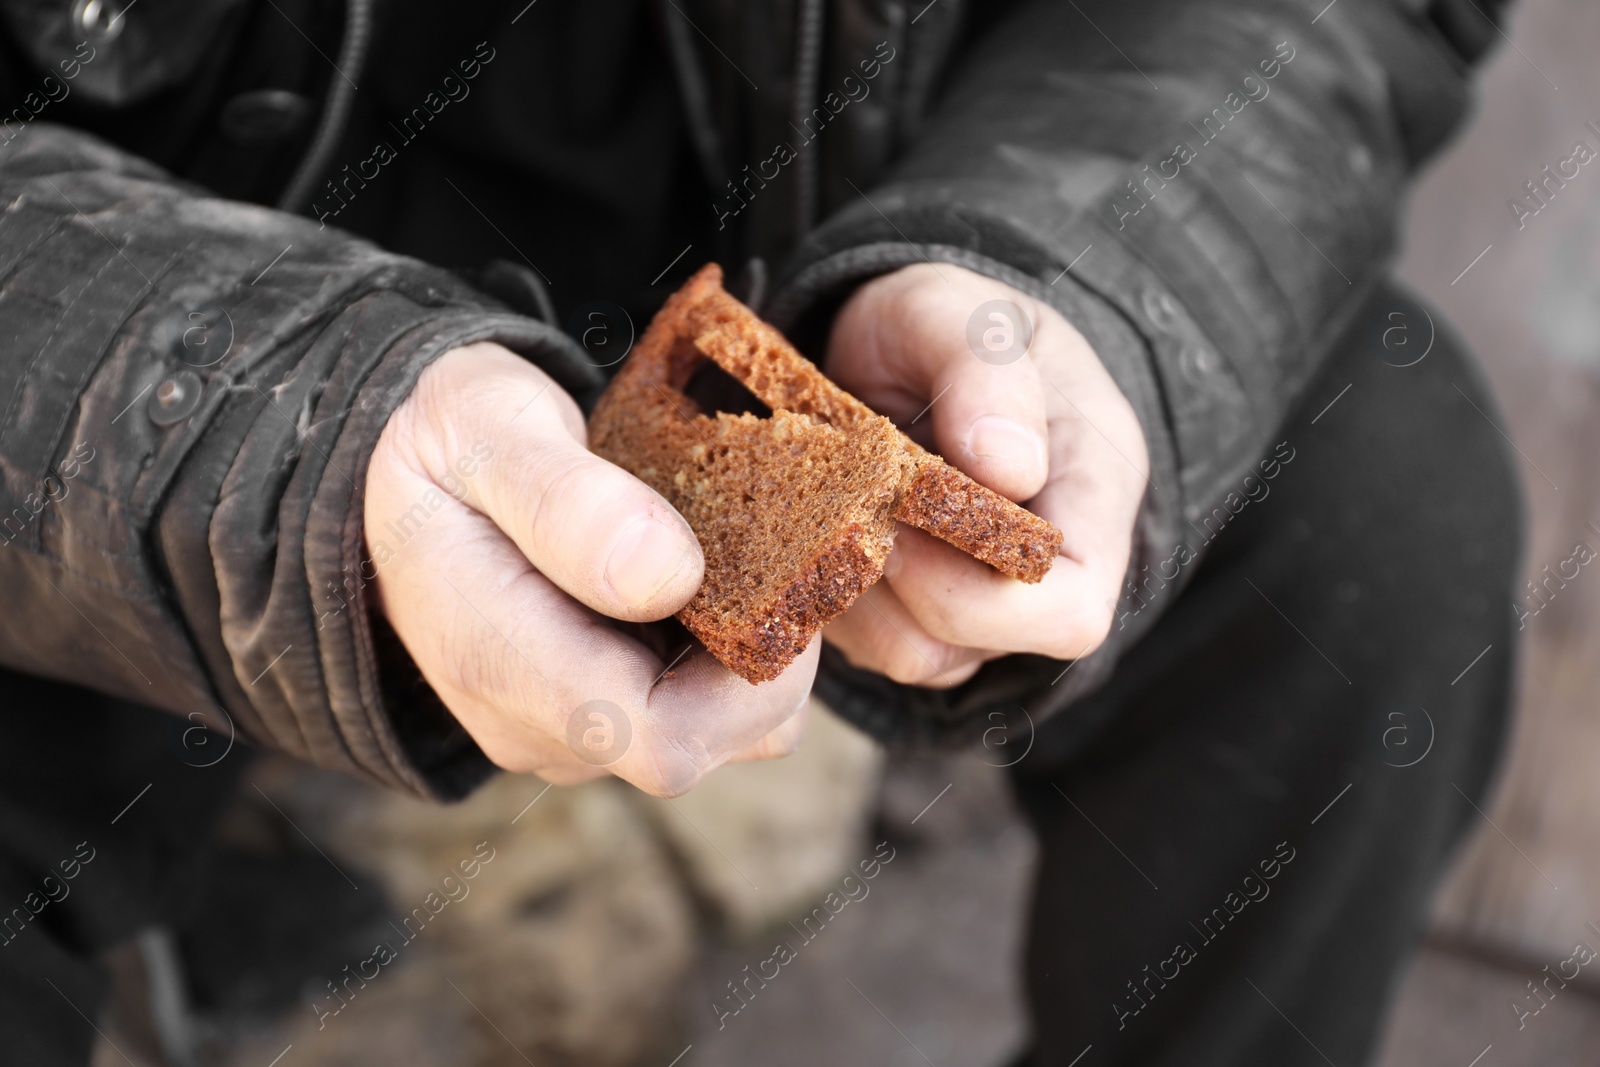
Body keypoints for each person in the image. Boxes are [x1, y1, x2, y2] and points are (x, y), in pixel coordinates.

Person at [0, 0, 1520, 1063]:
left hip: (772, 214)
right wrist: (286, 432)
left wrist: (1073, 283)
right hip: (84, 395)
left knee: (1378, 501)